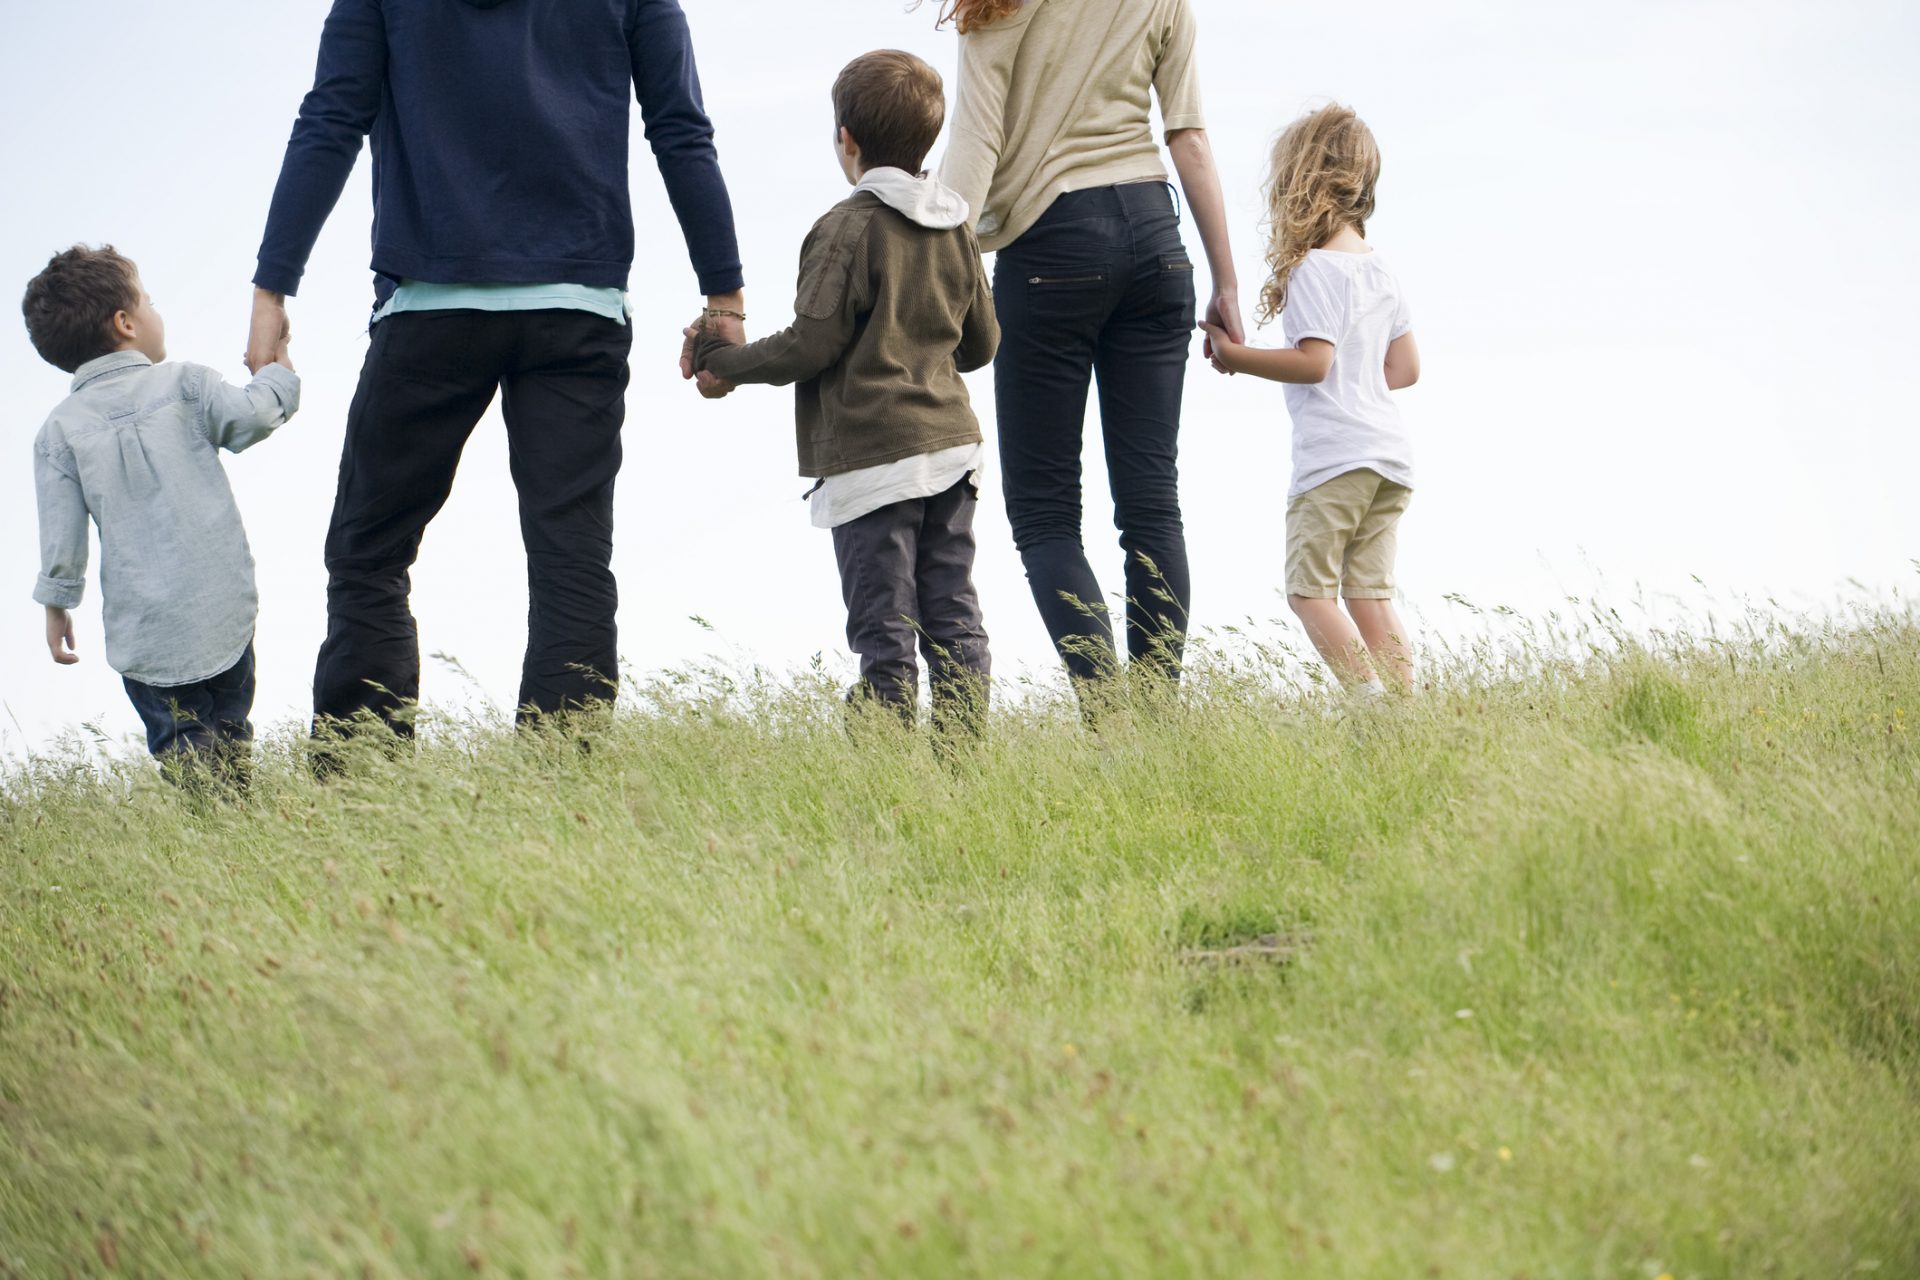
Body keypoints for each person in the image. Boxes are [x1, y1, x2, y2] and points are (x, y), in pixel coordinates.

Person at [249, 0, 745, 746]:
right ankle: (562, 793)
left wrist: (272, 288)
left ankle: (361, 790)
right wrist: (724, 295)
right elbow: (680, 128)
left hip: (429, 307)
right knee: (572, 555)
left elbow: (330, 119)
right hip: (577, 309)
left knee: (370, 553)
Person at [932, 0, 1242, 699]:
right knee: (1153, 502)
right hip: (1157, 237)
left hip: (1050, 246)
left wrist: (933, 277)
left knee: (1045, 514)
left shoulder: (996, 6)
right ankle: (1158, 724)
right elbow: (1187, 136)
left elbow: (976, 143)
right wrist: (1226, 280)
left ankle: (1109, 719)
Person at [690, 51, 998, 738]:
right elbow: (980, 346)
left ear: (847, 140)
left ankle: (884, 780)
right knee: (955, 617)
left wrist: (727, 362)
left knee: (884, 632)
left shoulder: (846, 228)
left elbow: (812, 344)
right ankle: (964, 771)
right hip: (953, 453)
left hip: (873, 461)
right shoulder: (957, 226)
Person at [24, 246, 301, 785]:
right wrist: (277, 372)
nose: (156, 310)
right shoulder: (186, 385)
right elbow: (258, 414)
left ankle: (214, 821)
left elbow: (62, 537)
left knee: (184, 741)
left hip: (146, 629)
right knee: (230, 727)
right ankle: (239, 819)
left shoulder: (58, 432)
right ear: (125, 323)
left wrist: (57, 605)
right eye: (148, 301)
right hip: (220, 604)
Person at [1199, 105, 1420, 697]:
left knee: (1309, 593)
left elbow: (1314, 363)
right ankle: (1408, 708)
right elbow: (1404, 370)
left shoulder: (1314, 270)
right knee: (1370, 593)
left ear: (1296, 178)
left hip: (1335, 460)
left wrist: (1235, 357)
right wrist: (1358, 378)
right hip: (1389, 459)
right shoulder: (1381, 271)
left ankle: (1370, 706)